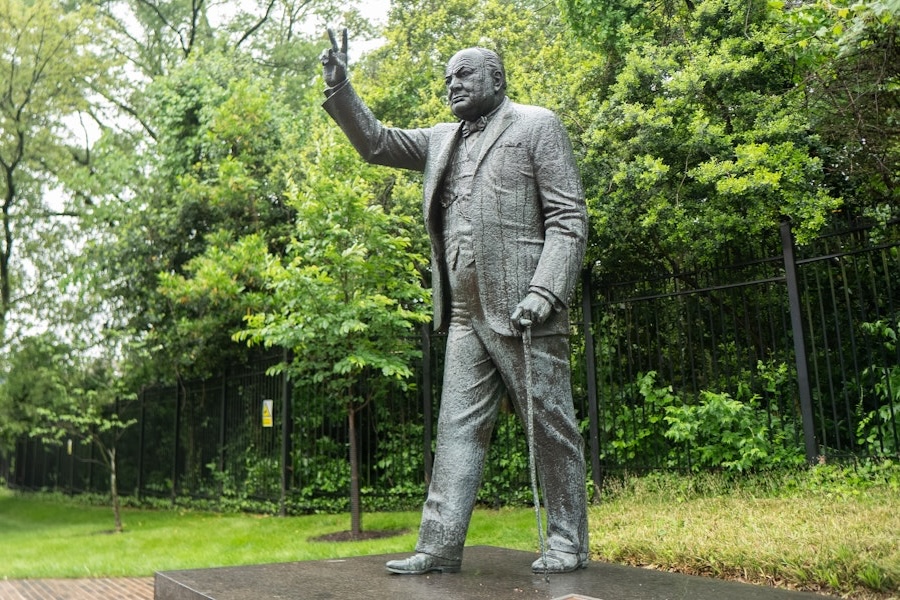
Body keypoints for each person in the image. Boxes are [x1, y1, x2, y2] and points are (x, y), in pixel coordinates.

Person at [320, 29, 589, 575]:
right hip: (464, 314)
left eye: (463, 74)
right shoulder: (441, 139)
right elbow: (376, 143)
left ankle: (568, 542)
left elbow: (569, 219)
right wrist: (341, 87)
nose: (452, 85)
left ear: (497, 79)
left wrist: (544, 291)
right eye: (447, 79)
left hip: (525, 311)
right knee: (456, 432)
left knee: (550, 428)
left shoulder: (537, 125)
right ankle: (439, 547)